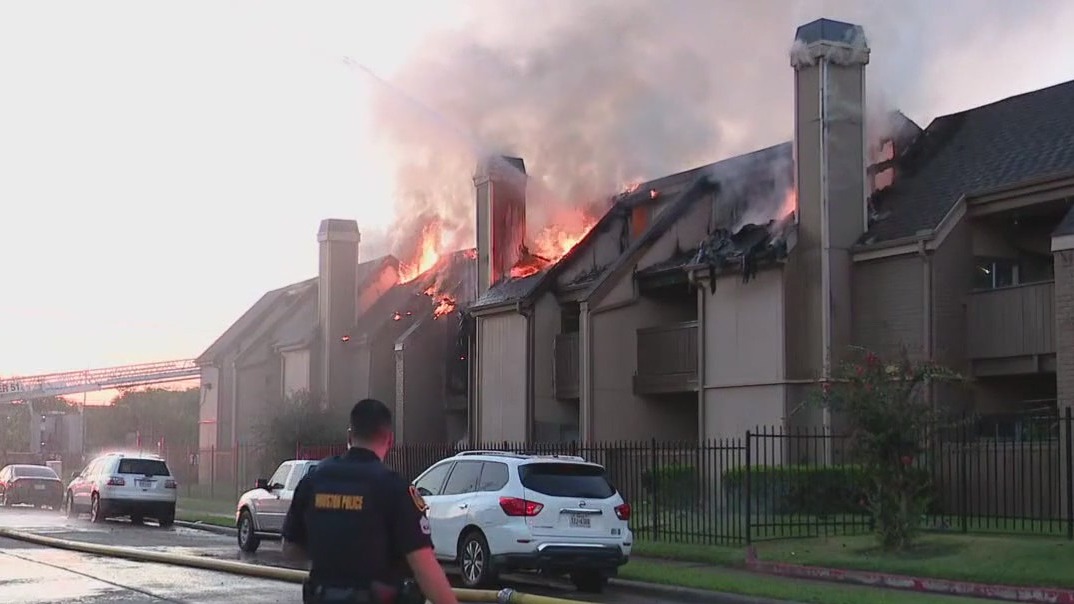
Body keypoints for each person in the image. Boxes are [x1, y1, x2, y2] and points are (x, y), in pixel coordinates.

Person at [281, 398, 459, 604]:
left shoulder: (314, 479)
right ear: (389, 440)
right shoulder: (395, 488)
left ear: (349, 435)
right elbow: (424, 567)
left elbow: (289, 548)